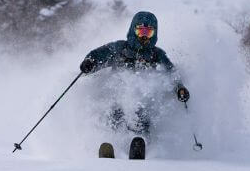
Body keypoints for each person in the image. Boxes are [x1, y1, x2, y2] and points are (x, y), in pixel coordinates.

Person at [79, 11, 190, 155]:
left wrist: (179, 88)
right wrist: (90, 63)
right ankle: (111, 147)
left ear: (154, 34)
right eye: (140, 31)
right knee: (113, 112)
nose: (144, 36)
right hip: (117, 97)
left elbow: (171, 73)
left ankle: (139, 145)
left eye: (148, 32)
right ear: (133, 30)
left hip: (142, 103)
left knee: (141, 114)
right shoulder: (120, 48)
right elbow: (100, 54)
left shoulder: (157, 55)